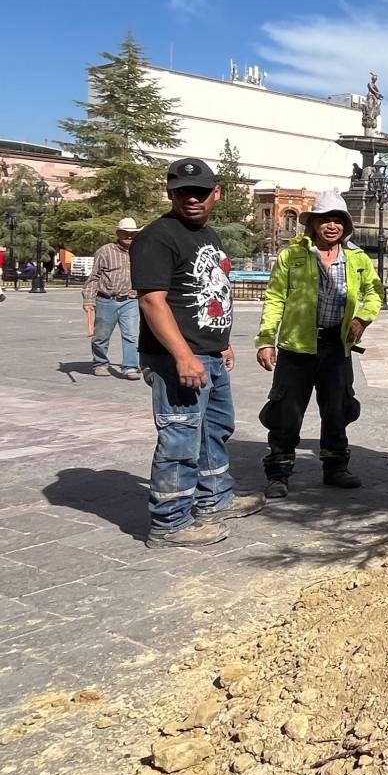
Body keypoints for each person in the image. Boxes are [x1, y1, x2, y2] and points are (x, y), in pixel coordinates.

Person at [131, 158, 264, 547]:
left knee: (214, 430)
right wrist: (183, 355)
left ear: (216, 194)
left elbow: (208, 291)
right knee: (180, 437)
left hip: (209, 355)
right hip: (178, 360)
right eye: (183, 192)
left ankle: (214, 499)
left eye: (201, 192)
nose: (192, 199)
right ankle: (169, 521)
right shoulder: (157, 237)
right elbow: (153, 302)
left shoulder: (209, 236)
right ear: (169, 193)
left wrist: (220, 343)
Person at [255, 190, 381, 497]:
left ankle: (336, 467)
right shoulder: (293, 256)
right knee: (287, 410)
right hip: (297, 347)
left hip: (336, 347)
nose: (332, 226)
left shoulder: (357, 260)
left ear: (346, 226)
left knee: (338, 409)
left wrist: (361, 318)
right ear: (313, 224)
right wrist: (265, 339)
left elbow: (375, 293)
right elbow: (274, 297)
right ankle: (279, 472)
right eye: (325, 220)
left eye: (338, 220)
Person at [83, 217, 142, 379]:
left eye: (132, 234)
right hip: (106, 300)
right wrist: (88, 300)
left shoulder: (141, 250)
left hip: (130, 299)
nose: (129, 236)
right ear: (118, 233)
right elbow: (94, 277)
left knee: (131, 335)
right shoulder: (106, 251)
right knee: (101, 336)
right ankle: (100, 363)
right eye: (125, 233)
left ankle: (130, 367)